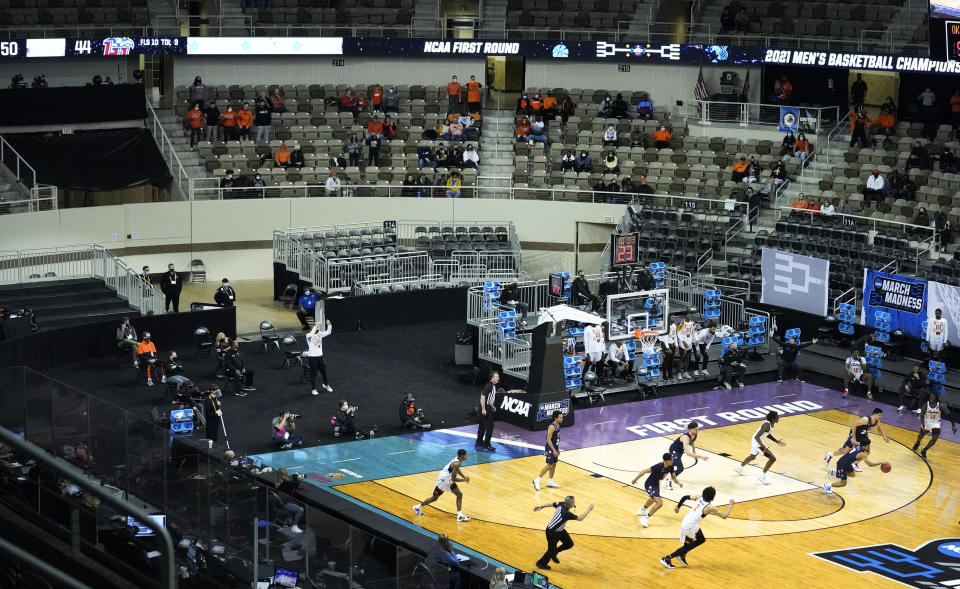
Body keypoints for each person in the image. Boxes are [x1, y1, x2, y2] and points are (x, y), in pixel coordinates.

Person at [660, 486, 734, 569]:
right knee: (687, 546)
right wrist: (731, 505)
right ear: (712, 498)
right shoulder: (710, 507)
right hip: (689, 526)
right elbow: (724, 516)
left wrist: (678, 507)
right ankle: (667, 558)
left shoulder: (699, 497)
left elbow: (684, 497)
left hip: (689, 521)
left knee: (701, 539)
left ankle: (681, 555)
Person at [533, 495, 593, 570]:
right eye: (574, 502)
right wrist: (589, 509)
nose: (574, 502)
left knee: (569, 544)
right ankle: (541, 563)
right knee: (551, 550)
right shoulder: (566, 513)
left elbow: (550, 504)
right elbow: (580, 518)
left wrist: (541, 506)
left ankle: (554, 553)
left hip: (560, 530)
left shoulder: (561, 503)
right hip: (552, 532)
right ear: (571, 504)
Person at [413, 449, 471, 522]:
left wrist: (464, 477)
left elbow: (456, 470)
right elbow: (454, 479)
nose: (467, 456)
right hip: (443, 481)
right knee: (434, 498)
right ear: (462, 456)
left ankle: (460, 516)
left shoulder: (458, 461)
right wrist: (464, 480)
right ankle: (418, 507)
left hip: (448, 480)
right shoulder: (456, 463)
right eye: (466, 454)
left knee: (459, 494)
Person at [824, 408, 890, 467]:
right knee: (846, 450)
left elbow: (879, 428)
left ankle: (854, 463)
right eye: (879, 415)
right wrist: (854, 438)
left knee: (867, 452)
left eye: (881, 415)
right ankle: (830, 454)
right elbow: (854, 426)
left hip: (863, 435)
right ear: (875, 414)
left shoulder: (877, 421)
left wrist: (884, 437)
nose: (880, 417)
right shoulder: (865, 419)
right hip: (855, 434)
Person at [734, 411, 786, 485]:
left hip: (758, 442)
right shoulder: (766, 425)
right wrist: (763, 447)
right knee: (772, 458)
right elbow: (757, 436)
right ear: (773, 418)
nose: (778, 418)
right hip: (757, 442)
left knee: (753, 457)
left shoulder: (771, 424)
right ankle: (762, 476)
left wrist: (776, 441)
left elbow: (767, 434)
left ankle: (739, 468)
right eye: (777, 417)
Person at [632, 453, 681, 528]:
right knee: (659, 503)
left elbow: (674, 477)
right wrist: (635, 479)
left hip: (656, 485)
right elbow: (644, 471)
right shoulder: (658, 466)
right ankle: (645, 518)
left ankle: (642, 510)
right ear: (665, 461)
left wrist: (679, 483)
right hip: (650, 484)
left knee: (653, 499)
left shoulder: (671, 467)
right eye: (670, 460)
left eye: (672, 460)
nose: (672, 461)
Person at [913, 391, 956, 459]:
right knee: (921, 435)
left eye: (933, 397)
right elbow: (921, 415)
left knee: (935, 437)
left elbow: (949, 414)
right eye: (930, 396)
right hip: (926, 421)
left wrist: (953, 425)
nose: (931, 398)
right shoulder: (926, 405)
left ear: (936, 398)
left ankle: (924, 450)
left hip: (936, 422)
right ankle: (917, 442)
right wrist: (923, 425)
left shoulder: (941, 406)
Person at [531, 411, 564, 491]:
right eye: (560, 417)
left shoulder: (558, 425)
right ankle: (537, 480)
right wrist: (553, 450)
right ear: (556, 418)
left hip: (555, 447)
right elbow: (548, 439)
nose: (562, 419)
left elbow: (556, 439)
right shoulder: (551, 427)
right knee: (549, 465)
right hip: (550, 448)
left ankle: (550, 482)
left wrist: (557, 449)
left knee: (554, 464)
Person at [305, 319, 333, 396]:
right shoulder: (308, 336)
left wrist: (329, 325)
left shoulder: (319, 334)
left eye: (317, 327)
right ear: (312, 328)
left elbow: (328, 332)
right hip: (312, 358)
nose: (317, 328)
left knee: (324, 372)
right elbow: (312, 333)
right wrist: (315, 326)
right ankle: (313, 389)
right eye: (315, 327)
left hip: (320, 357)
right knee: (313, 374)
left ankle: (326, 385)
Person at [475, 371, 500, 451]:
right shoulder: (490, 386)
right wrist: (483, 409)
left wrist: (492, 406)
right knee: (490, 426)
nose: (498, 378)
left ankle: (479, 442)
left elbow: (488, 398)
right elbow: (482, 397)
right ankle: (487, 444)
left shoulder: (490, 385)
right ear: (492, 378)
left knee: (482, 425)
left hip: (487, 406)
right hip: (485, 408)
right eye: (497, 377)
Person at [275, 468, 305, 533]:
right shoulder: (285, 483)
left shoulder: (278, 481)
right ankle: (294, 526)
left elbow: (292, 485)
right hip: (285, 503)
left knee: (295, 503)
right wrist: (295, 476)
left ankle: (288, 523)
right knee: (301, 509)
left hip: (280, 502)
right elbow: (295, 484)